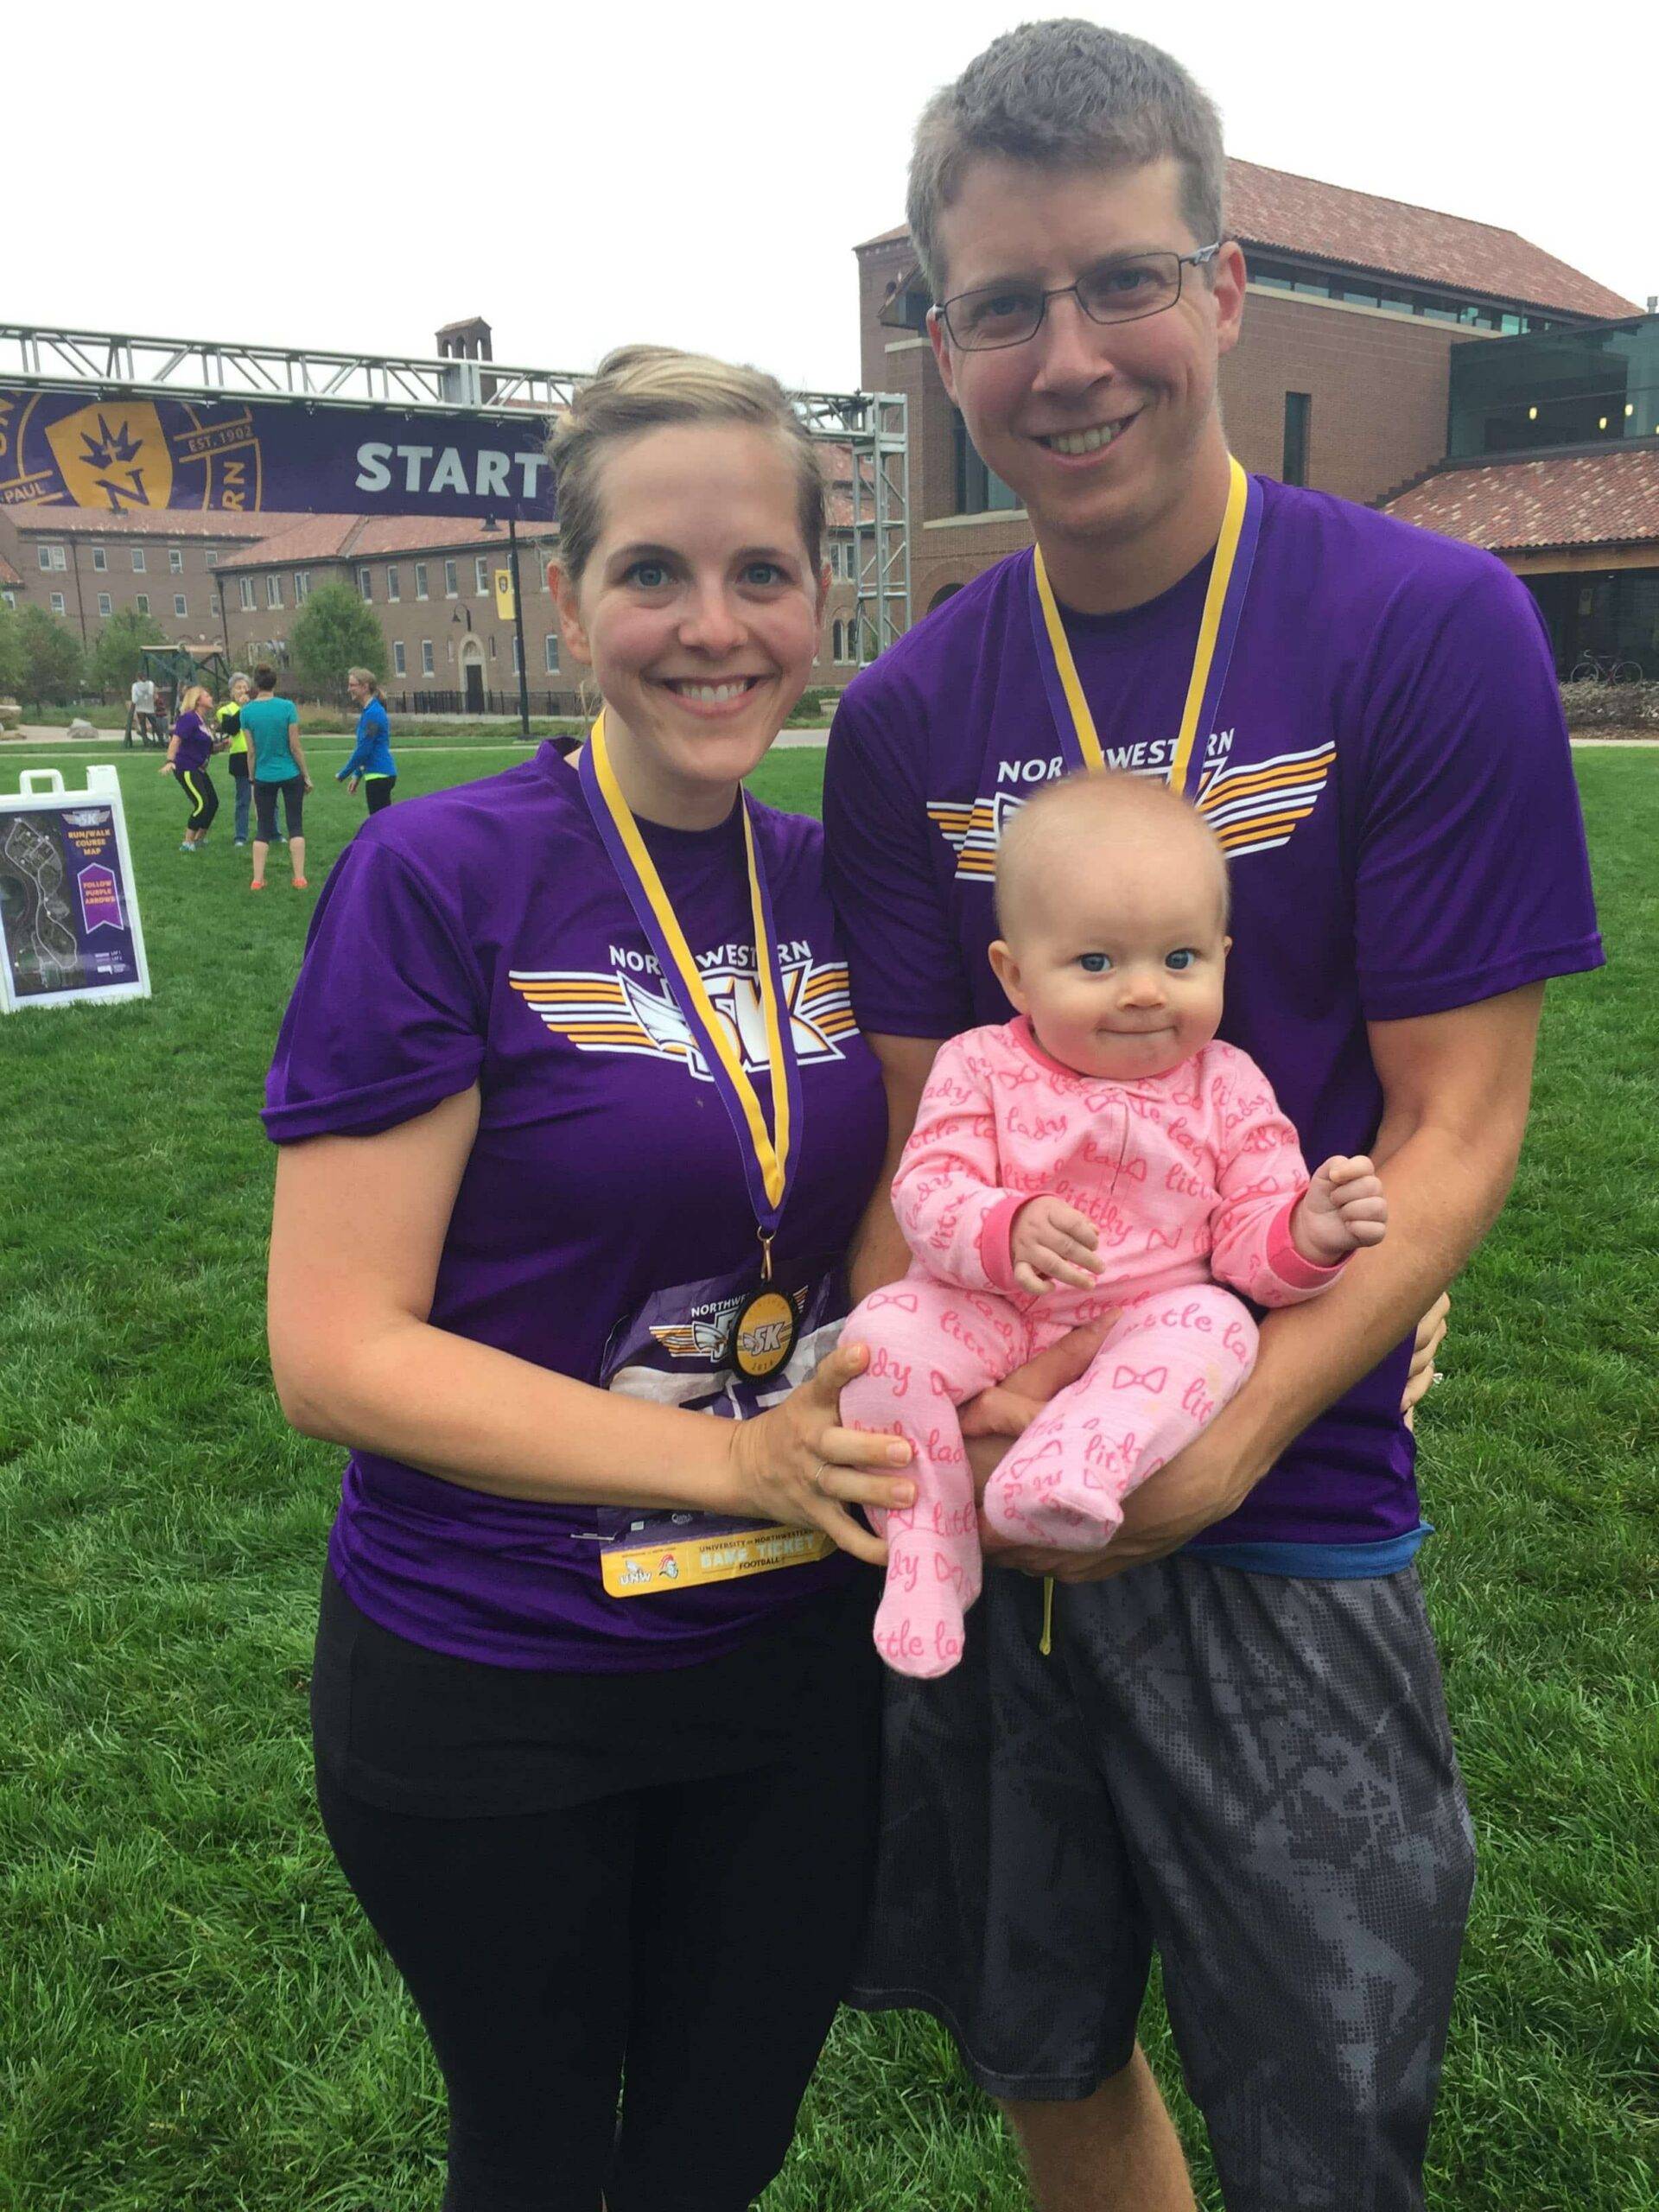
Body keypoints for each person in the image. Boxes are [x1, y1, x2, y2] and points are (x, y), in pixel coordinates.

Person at [824, 22, 1602, 2210]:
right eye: (999, 305)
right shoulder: (903, 723)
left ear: (1227, 286)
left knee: (1327, 2102)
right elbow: (920, 1156)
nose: (1066, 356)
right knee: (1043, 2041)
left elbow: (1455, 1119)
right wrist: (945, 1411)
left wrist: (1238, 1421)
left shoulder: (1427, 626)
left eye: (1121, 284)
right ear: (939, 337)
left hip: (1290, 1486)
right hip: (988, 1484)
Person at [264, 345, 917, 2212]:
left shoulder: (847, 887)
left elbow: (1061, 1093)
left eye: (760, 574)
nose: (711, 627)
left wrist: (1297, 1265)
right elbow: (333, 1347)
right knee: (544, 2160)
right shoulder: (439, 875)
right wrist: (739, 1463)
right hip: (497, 1669)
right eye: (653, 572)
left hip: (792, 1664)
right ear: (569, 600)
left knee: (716, 2161)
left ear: (819, 591)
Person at [843, 773, 1387, 1678]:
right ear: (1014, 974)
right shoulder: (977, 1066)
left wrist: (1311, 1232)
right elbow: (928, 1185)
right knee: (876, 1340)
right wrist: (1001, 1224)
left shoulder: (1229, 1085)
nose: (1144, 992)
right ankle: (930, 1541)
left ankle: (1063, 1472)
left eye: (1180, 960)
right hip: (989, 1301)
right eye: (1096, 963)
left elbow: (1250, 1247)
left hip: (1143, 1317)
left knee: (1215, 1327)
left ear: (1222, 955)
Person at [241, 664, 313, 890]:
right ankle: (299, 877)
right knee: (295, 825)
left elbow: (251, 751)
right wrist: (306, 775)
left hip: (263, 776)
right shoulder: (287, 707)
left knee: (262, 827)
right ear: (275, 683)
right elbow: (295, 746)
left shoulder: (247, 711)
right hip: (291, 773)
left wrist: (252, 779)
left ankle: (257, 879)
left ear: (256, 684)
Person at [161, 683, 219, 849]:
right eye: (207, 695)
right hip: (187, 767)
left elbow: (209, 749)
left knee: (213, 803)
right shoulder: (189, 718)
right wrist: (170, 761)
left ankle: (200, 838)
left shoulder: (203, 722)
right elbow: (176, 740)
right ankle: (187, 842)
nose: (211, 698)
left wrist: (223, 745)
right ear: (198, 700)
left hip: (199, 768)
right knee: (202, 804)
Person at [338, 666, 398, 813]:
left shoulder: (374, 713)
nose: (348, 689)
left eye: (352, 685)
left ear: (365, 687)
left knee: (379, 823)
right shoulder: (370, 711)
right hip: (377, 774)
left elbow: (364, 749)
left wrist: (344, 773)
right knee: (381, 820)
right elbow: (367, 748)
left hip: (380, 775)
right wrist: (357, 775)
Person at [218, 673, 254, 845]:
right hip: (240, 758)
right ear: (232, 692)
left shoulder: (255, 706)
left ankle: (273, 832)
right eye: (238, 688)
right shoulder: (225, 711)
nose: (242, 690)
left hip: (258, 754)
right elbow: (231, 728)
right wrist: (242, 707)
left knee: (268, 798)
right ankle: (241, 836)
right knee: (243, 799)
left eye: (244, 687)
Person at [128, 671, 156, 748]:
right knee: (155, 724)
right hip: (150, 708)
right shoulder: (150, 684)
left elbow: (134, 699)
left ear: (138, 678)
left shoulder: (135, 686)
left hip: (140, 709)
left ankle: (146, 743)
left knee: (143, 726)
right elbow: (151, 695)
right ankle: (161, 741)